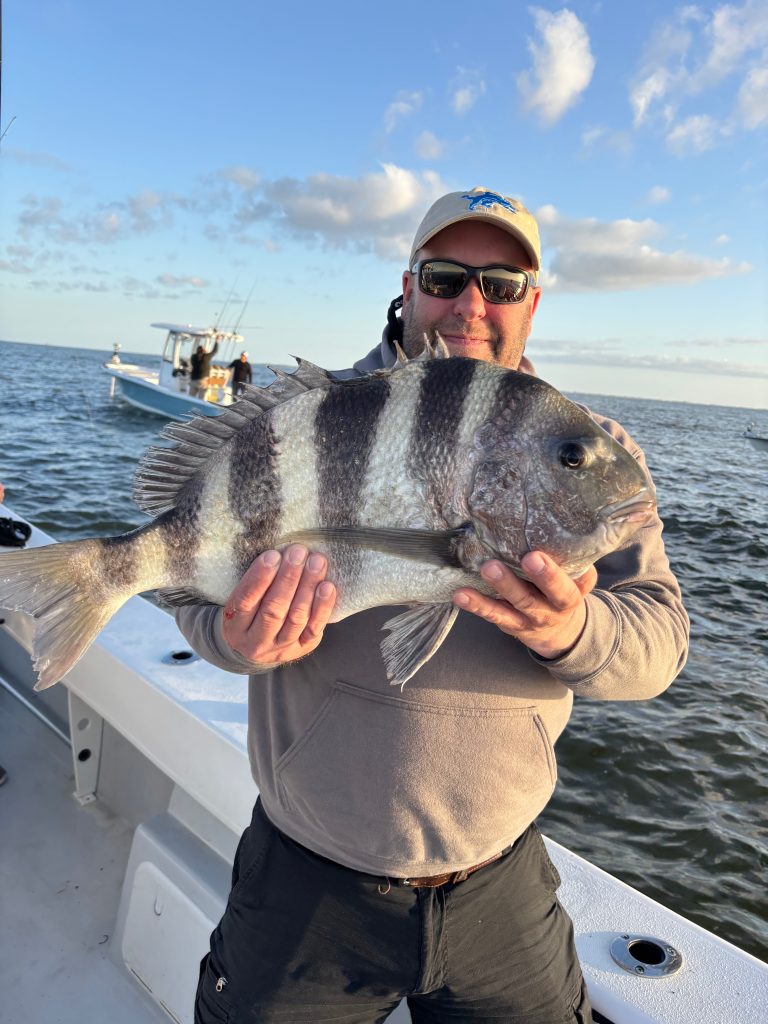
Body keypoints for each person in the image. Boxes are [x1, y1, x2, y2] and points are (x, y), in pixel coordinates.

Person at [178, 187, 690, 1024]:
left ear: (533, 301)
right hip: (306, 880)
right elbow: (189, 582)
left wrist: (574, 631)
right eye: (447, 276)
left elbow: (659, 642)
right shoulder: (312, 419)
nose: (471, 305)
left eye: (502, 284)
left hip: (502, 890)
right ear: (409, 285)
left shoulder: (587, 455)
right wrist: (236, 639)